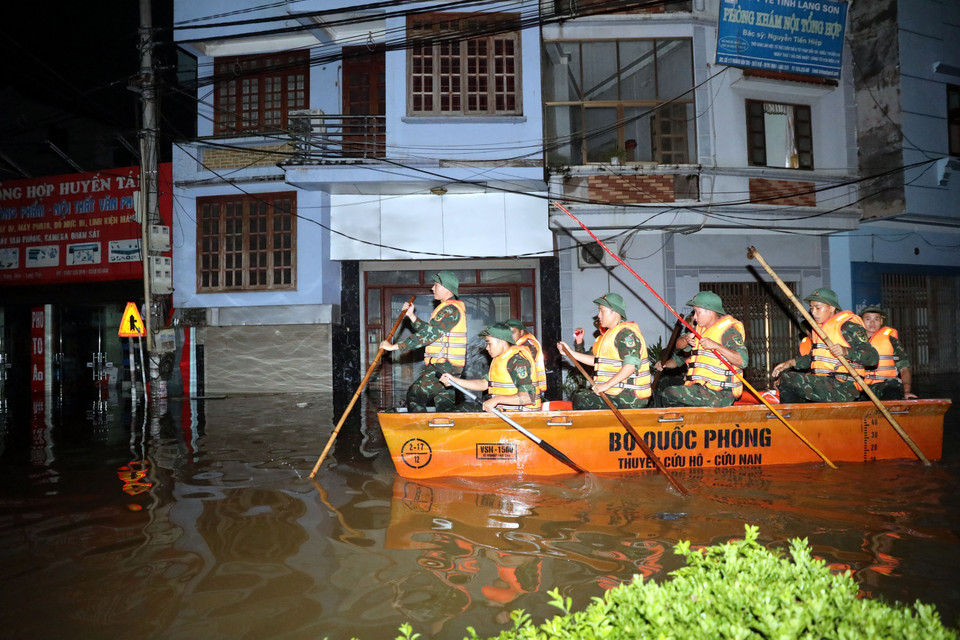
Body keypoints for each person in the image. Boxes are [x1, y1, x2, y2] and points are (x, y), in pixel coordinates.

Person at [771, 288, 878, 403]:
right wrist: (789, 363)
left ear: (832, 308)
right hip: (824, 383)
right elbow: (812, 358)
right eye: (811, 308)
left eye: (818, 308)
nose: (814, 312)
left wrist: (846, 351)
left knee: (788, 379)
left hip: (843, 386)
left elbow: (873, 357)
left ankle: (792, 416)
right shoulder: (819, 330)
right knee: (786, 382)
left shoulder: (848, 327)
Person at [380, 271, 467, 412]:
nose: (432, 288)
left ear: (446, 288)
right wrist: (412, 316)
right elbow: (431, 331)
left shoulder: (450, 310)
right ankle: (443, 432)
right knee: (445, 408)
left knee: (414, 395)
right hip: (446, 367)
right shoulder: (449, 309)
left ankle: (419, 431)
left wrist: (393, 347)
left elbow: (428, 335)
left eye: (436, 285)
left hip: (444, 367)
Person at [557, 292, 652, 409]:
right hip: (617, 393)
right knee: (581, 397)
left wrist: (606, 385)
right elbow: (598, 361)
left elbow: (631, 366)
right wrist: (570, 353)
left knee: (581, 399)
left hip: (629, 397)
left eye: (602, 311)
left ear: (615, 313)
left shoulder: (626, 334)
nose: (599, 315)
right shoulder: (611, 334)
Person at [655, 291, 748, 407]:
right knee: (665, 389)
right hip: (700, 388)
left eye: (697, 312)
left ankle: (681, 423)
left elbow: (742, 361)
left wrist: (716, 346)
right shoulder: (700, 330)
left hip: (721, 393)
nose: (694, 317)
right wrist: (686, 340)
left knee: (669, 393)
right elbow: (678, 345)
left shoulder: (728, 332)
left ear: (709, 312)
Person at [439, 323, 541, 412]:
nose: (487, 348)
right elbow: (484, 384)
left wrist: (496, 400)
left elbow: (528, 397)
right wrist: (454, 380)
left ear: (501, 341)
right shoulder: (501, 359)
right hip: (503, 412)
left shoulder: (517, 362)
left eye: (489, 343)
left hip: (520, 416)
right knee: (462, 409)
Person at [860, 305, 917, 400]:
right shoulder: (854, 341)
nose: (872, 323)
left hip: (887, 385)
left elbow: (904, 368)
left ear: (881, 321)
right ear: (861, 321)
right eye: (868, 319)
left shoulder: (892, 341)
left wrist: (906, 391)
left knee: (893, 395)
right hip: (862, 387)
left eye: (876, 319)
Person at [503, 318, 547, 397]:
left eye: (513, 332)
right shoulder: (517, 345)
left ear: (521, 332)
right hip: (525, 390)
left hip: (531, 391)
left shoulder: (529, 345)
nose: (509, 336)